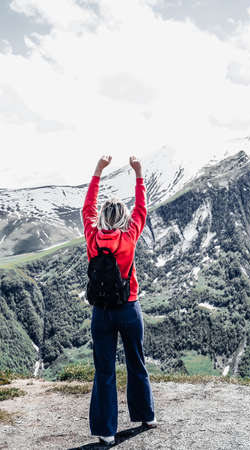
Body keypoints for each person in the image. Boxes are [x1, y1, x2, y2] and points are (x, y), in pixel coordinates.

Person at [82, 155, 156, 446]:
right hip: (129, 307)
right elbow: (142, 208)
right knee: (136, 361)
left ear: (101, 217)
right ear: (123, 218)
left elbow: (86, 207)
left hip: (101, 312)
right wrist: (139, 173)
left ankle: (107, 431)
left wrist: (98, 169)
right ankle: (146, 416)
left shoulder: (91, 235)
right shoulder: (129, 237)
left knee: (104, 370)